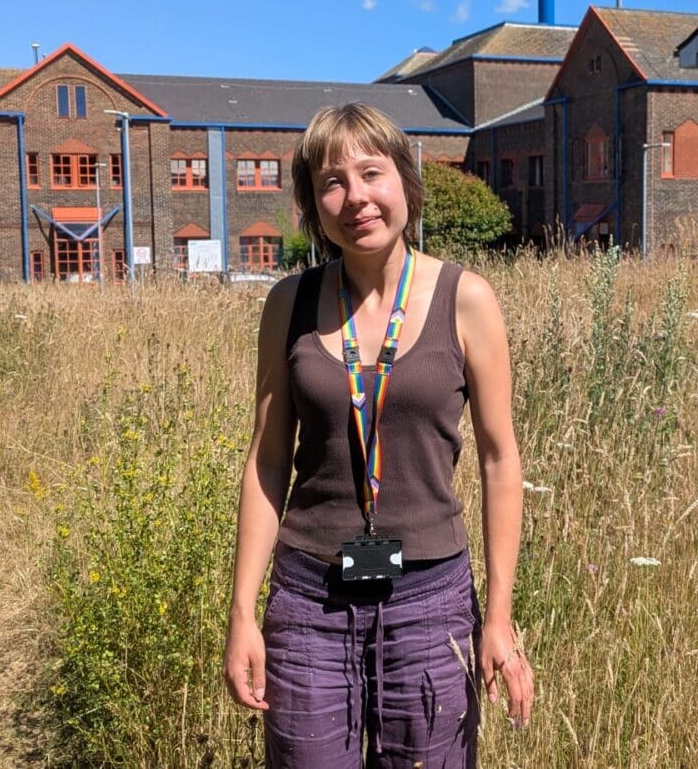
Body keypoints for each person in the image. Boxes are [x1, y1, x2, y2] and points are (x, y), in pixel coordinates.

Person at [223, 102, 534, 767]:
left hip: (431, 605)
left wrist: (499, 618)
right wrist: (242, 611)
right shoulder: (291, 304)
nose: (356, 197)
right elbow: (268, 460)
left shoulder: (467, 298)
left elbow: (500, 458)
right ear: (312, 204)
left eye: (372, 172)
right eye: (332, 182)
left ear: (406, 185)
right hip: (309, 602)